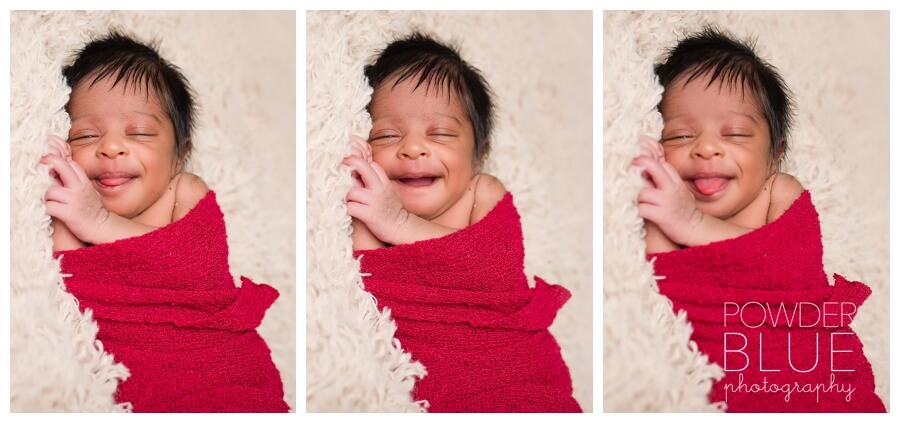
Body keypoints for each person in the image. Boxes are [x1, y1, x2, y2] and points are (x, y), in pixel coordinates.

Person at [632, 27, 884, 412]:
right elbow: (664, 279)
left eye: (734, 133)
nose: (706, 148)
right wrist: (655, 191)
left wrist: (693, 224)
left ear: (774, 153)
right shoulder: (672, 215)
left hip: (819, 388)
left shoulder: (778, 192)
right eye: (681, 136)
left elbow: (790, 267)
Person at [39, 30, 288, 412]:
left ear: (179, 154)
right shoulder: (76, 217)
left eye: (138, 132)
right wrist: (61, 182)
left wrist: (99, 220)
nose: (110, 147)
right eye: (86, 135)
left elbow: (198, 267)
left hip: (221, 379)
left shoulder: (182, 191)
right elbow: (68, 282)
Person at [342, 32, 581, 412]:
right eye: (387, 135)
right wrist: (362, 186)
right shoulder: (371, 216)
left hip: (516, 379)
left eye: (440, 134)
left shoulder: (481, 192)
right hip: (424, 390)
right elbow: (364, 285)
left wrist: (399, 222)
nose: (413, 148)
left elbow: (496, 268)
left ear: (478, 154)